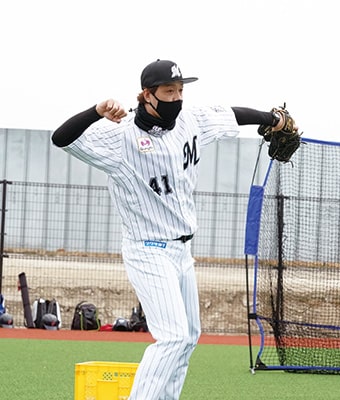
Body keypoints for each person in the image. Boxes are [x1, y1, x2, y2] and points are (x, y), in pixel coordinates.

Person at [51, 59, 299, 400]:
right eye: (169, 91)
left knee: (189, 336)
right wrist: (96, 111)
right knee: (172, 337)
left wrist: (273, 119)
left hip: (182, 252)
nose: (177, 97)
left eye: (180, 90)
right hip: (147, 249)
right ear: (146, 95)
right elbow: (61, 139)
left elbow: (231, 114)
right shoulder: (120, 137)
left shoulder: (189, 120)